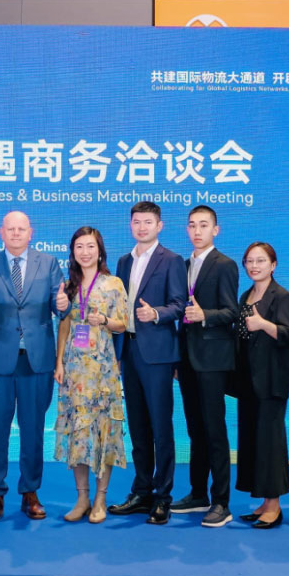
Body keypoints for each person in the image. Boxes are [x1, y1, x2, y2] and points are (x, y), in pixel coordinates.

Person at [0, 210, 69, 523]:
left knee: (33, 430)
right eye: (10, 229)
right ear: (1, 232)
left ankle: (30, 492)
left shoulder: (49, 264)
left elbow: (58, 306)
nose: (15, 233)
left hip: (36, 361)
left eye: (21, 229)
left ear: (31, 232)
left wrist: (63, 305)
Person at [108, 201, 186, 526]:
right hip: (129, 351)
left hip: (158, 355)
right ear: (131, 225)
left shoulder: (172, 260)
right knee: (138, 427)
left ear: (159, 226)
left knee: (161, 427)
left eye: (148, 222)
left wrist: (155, 313)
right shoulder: (124, 261)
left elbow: (179, 304)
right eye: (137, 222)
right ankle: (141, 492)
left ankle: (162, 496)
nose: (142, 227)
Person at [53, 227, 129, 524]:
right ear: (73, 252)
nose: (85, 252)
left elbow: (123, 324)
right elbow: (64, 325)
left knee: (102, 432)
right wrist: (59, 362)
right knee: (79, 433)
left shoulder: (113, 283)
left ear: (100, 251)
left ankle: (100, 499)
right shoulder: (68, 286)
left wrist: (105, 320)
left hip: (103, 371)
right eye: (79, 247)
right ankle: (82, 497)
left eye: (90, 246)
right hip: (75, 371)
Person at [174, 205, 238, 528]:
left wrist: (205, 316)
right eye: (192, 225)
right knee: (194, 429)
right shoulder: (183, 266)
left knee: (214, 429)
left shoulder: (224, 264)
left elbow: (231, 312)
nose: (197, 231)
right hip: (187, 359)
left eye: (203, 225)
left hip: (212, 359)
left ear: (216, 229)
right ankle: (198, 493)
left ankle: (221, 501)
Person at [234, 242, 289, 530]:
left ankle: (274, 505)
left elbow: (288, 334)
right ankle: (263, 501)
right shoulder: (245, 295)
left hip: (271, 381)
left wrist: (264, 325)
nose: (254, 266)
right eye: (250, 261)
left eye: (260, 261)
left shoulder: (281, 296)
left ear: (273, 265)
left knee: (270, 443)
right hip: (247, 381)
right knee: (253, 441)